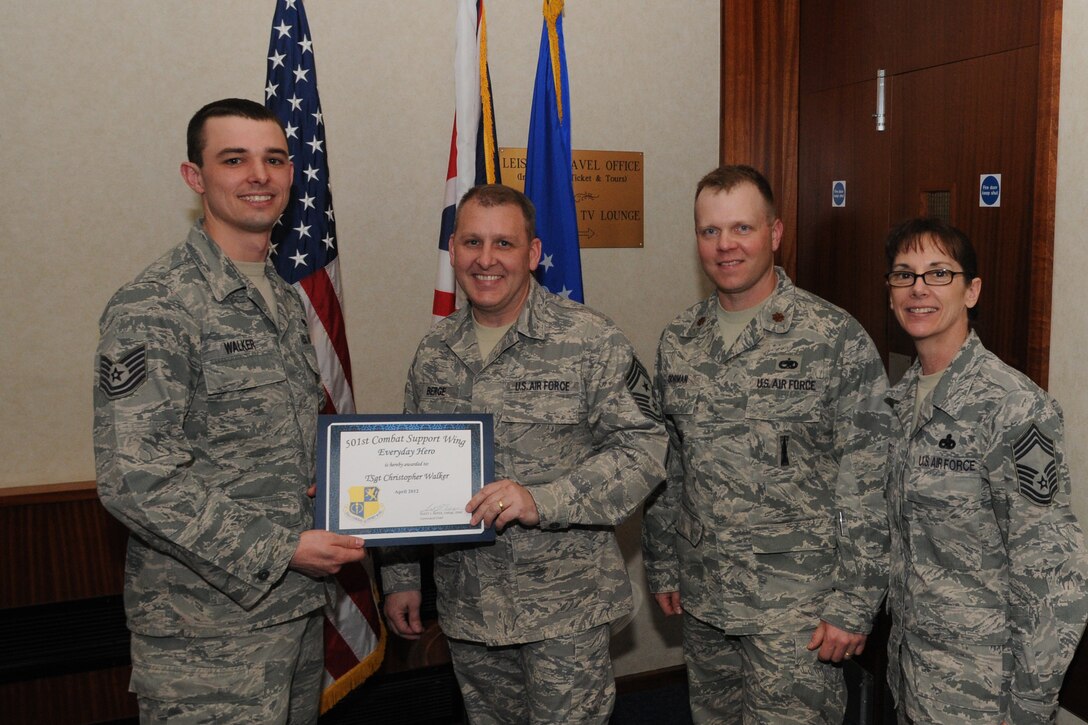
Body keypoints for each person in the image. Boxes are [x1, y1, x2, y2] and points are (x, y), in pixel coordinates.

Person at [93, 98, 367, 724]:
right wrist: (279, 548)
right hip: (206, 634)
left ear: (292, 174)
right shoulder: (156, 305)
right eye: (234, 159)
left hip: (293, 612)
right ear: (196, 177)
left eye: (273, 160)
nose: (258, 176)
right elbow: (136, 479)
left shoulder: (282, 298)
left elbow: (278, 445)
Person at [381, 184, 667, 724]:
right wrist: (400, 578)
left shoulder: (590, 339)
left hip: (565, 608)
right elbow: (405, 469)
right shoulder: (434, 352)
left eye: (504, 244)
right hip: (468, 604)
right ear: (453, 249)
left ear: (532, 253)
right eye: (471, 242)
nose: (486, 260)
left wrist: (544, 499)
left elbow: (645, 450)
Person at [642, 165, 891, 723]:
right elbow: (669, 464)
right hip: (706, 594)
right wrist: (662, 563)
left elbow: (868, 483)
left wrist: (855, 604)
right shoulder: (679, 341)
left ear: (775, 234)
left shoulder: (833, 339)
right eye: (710, 231)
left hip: (797, 608)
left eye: (742, 229)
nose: (725, 245)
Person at [882, 217, 1088, 724]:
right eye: (904, 275)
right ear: (890, 294)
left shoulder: (1013, 408)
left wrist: (1029, 708)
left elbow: (1053, 574)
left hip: (982, 692)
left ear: (972, 291)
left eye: (938, 274)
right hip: (912, 672)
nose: (919, 289)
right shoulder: (899, 400)